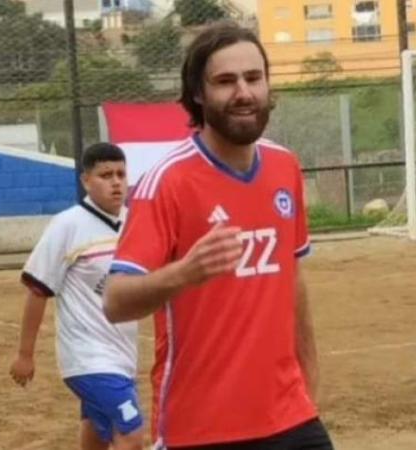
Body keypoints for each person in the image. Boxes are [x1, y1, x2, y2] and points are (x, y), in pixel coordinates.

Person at [103, 22, 334, 450]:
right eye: (225, 81)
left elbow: (292, 283)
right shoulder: (167, 182)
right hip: (203, 430)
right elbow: (115, 301)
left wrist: (308, 391)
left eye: (253, 78)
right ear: (197, 93)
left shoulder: (285, 167)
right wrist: (184, 273)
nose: (243, 92)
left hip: (291, 418)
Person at [9, 143, 144, 450]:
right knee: (131, 433)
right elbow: (38, 289)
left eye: (121, 174)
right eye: (105, 175)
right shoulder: (67, 225)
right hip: (86, 357)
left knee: (96, 432)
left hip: (121, 355)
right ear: (86, 180)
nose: (116, 182)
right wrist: (25, 355)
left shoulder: (135, 222)